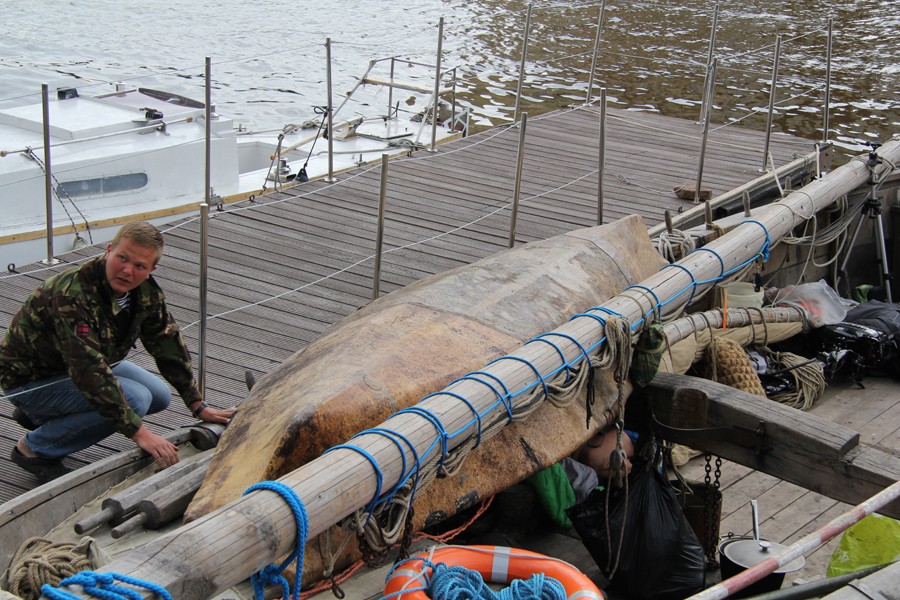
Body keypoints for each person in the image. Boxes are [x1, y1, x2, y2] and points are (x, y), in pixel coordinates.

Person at [0, 222, 234, 482]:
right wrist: (140, 433)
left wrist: (196, 404)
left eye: (139, 266)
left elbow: (166, 341)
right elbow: (88, 371)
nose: (127, 270)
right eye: (123, 258)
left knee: (158, 396)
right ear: (109, 250)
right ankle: (33, 449)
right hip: (31, 381)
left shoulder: (144, 292)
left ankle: (44, 415)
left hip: (80, 367)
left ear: (151, 269)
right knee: (135, 400)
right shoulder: (73, 294)